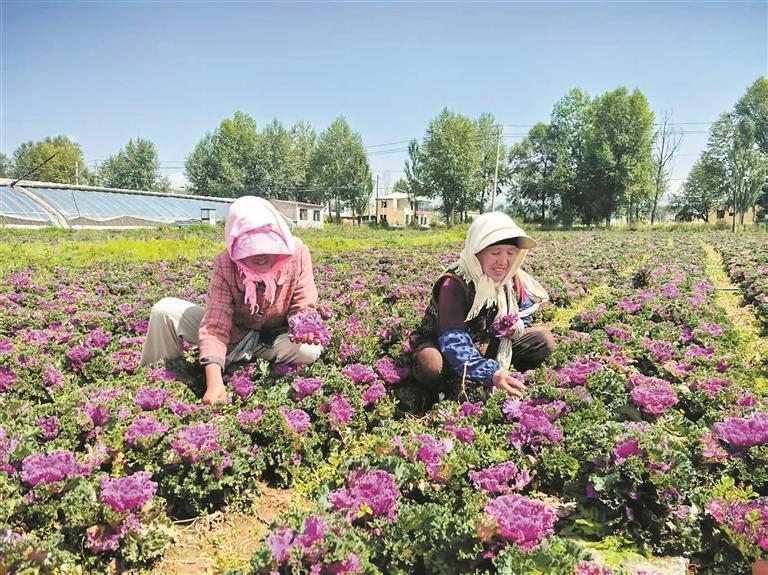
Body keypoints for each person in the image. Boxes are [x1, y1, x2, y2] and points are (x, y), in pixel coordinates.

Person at [140, 196, 323, 405]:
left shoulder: (297, 253)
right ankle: (162, 381)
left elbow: (303, 303)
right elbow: (215, 326)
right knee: (164, 311)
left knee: (308, 350)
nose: (260, 254)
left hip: (270, 341)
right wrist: (214, 383)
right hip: (232, 335)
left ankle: (244, 367)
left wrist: (304, 326)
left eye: (266, 245)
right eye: (251, 248)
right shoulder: (226, 262)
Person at [410, 212, 554, 398]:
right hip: (443, 343)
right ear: (476, 252)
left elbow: (525, 311)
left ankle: (475, 370)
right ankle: (461, 378)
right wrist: (492, 373)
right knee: (430, 365)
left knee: (543, 340)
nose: (503, 261)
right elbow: (453, 338)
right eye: (495, 253)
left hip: (485, 342)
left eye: (511, 253)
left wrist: (513, 327)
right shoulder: (454, 283)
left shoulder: (511, 280)